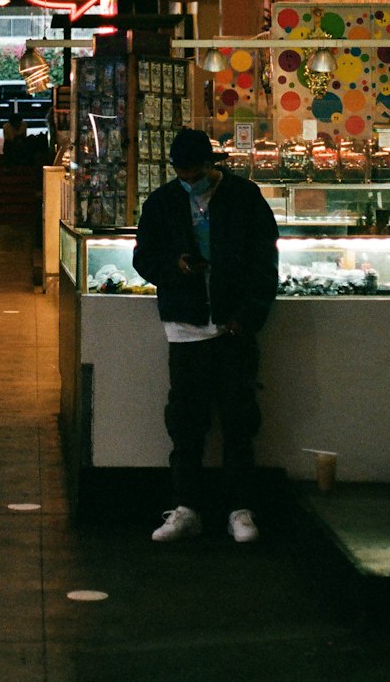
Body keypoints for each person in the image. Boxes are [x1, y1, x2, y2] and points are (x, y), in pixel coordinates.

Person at [132, 127, 279, 545]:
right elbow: (143, 257)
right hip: (185, 327)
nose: (188, 177)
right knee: (185, 422)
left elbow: (264, 263)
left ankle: (239, 508)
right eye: (181, 170)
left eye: (194, 170)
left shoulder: (244, 198)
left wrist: (248, 317)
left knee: (238, 419)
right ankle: (186, 507)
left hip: (233, 328)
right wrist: (175, 265)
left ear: (211, 166)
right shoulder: (162, 202)